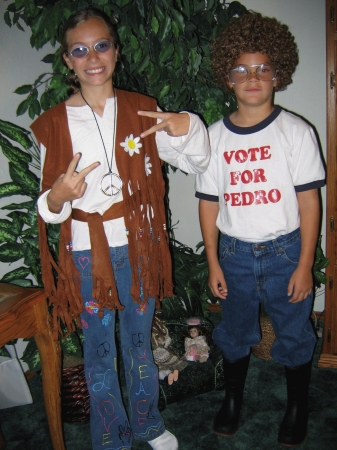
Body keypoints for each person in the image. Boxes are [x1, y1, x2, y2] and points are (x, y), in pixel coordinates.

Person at [31, 7, 210, 450]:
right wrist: (59, 195)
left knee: (138, 342)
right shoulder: (53, 124)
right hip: (87, 253)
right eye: (80, 49)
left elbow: (197, 161)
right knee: (98, 349)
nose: (93, 56)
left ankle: (147, 424)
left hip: (139, 247)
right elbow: (48, 209)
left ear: (116, 50)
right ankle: (111, 434)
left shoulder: (141, 110)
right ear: (68, 60)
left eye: (102, 45)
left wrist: (188, 126)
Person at [195, 11, 325, 447]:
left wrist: (306, 264)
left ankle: (296, 404)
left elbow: (310, 202)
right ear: (227, 77)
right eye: (241, 70)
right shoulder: (214, 138)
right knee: (234, 332)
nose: (252, 77)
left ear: (278, 74)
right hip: (234, 255)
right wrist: (213, 260)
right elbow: (208, 202)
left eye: (262, 69)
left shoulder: (296, 133)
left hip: (285, 251)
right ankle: (232, 400)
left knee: (293, 331)